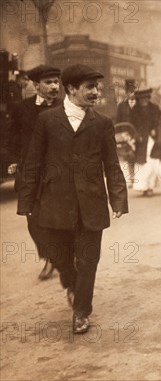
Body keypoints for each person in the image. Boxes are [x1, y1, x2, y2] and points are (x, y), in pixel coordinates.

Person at [17, 64, 128, 334]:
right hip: (55, 202)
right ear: (72, 89)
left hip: (91, 202)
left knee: (89, 259)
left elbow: (111, 164)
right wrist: (27, 201)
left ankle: (81, 311)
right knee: (62, 257)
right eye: (90, 87)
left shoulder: (102, 123)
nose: (96, 92)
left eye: (97, 87)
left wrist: (118, 199)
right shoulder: (48, 121)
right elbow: (33, 161)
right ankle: (69, 281)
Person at [8, 65, 63, 281]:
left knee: (60, 216)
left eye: (56, 82)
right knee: (33, 219)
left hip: (58, 171)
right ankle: (49, 256)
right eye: (48, 82)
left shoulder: (65, 107)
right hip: (30, 173)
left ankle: (60, 257)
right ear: (36, 85)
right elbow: (11, 137)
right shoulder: (22, 109)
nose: (53, 86)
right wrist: (13, 160)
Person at [131, 88, 161, 196]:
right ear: (138, 99)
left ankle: (150, 186)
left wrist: (156, 130)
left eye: (146, 98)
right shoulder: (134, 110)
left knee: (154, 163)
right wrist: (137, 135)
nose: (144, 100)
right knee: (142, 165)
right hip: (141, 142)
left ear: (148, 98)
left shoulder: (155, 108)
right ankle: (143, 187)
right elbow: (131, 126)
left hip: (153, 140)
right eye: (141, 98)